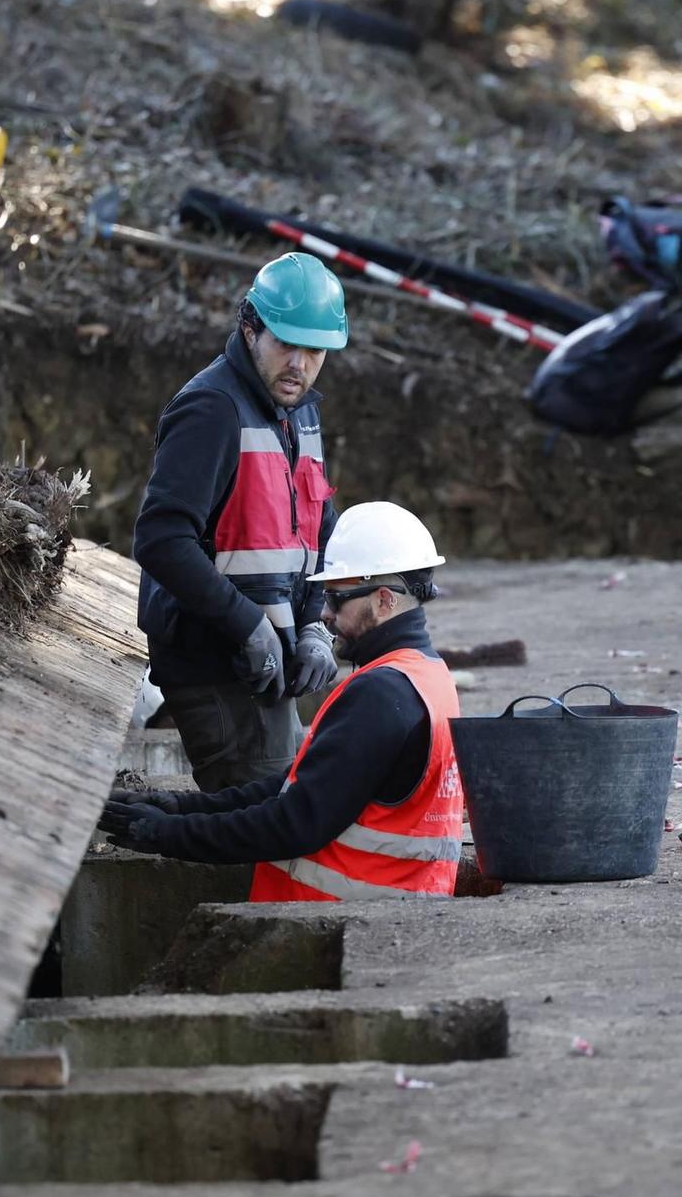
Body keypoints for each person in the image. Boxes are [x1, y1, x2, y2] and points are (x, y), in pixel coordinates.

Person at [101, 502, 464, 901]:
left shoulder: (380, 695)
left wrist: (164, 834)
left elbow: (294, 822)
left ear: (383, 601)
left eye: (337, 599)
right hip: (396, 907)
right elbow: (298, 784)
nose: (324, 613)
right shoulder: (428, 676)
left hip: (341, 922)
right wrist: (180, 807)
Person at [132, 252, 349, 791]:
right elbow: (161, 540)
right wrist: (245, 623)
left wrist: (317, 622)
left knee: (282, 804)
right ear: (250, 328)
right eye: (285, 344)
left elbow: (318, 528)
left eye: (315, 350)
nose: (299, 363)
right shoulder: (210, 410)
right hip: (216, 666)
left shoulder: (299, 412)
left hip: (266, 663)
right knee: (259, 827)